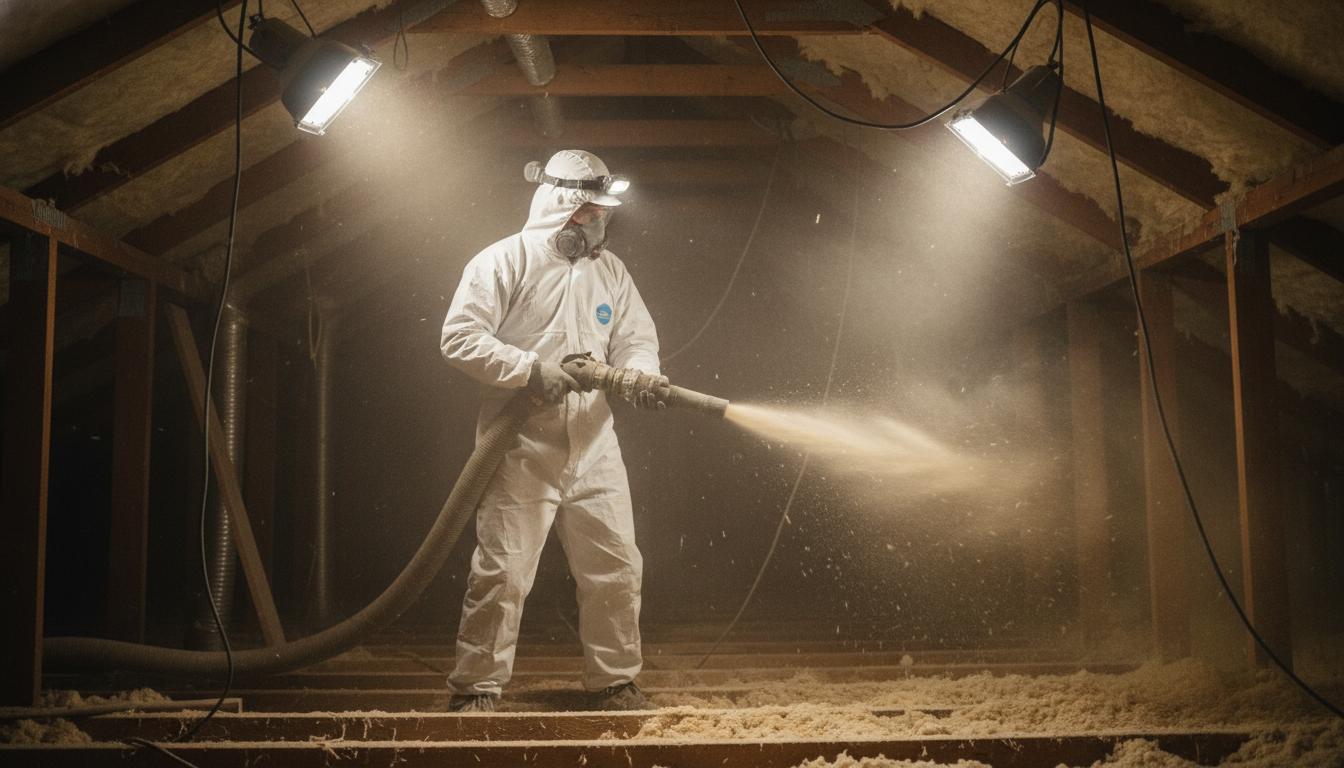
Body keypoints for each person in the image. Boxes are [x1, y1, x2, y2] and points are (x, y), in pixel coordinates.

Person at [439, 150, 665, 713]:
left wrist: (641, 376)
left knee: (615, 566)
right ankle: (476, 689)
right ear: (563, 207)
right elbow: (460, 337)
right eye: (591, 213)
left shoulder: (610, 271)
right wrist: (531, 370)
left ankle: (615, 681)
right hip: (520, 445)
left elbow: (635, 337)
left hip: (595, 444)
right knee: (504, 570)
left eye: (602, 214)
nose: (599, 224)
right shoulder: (502, 261)